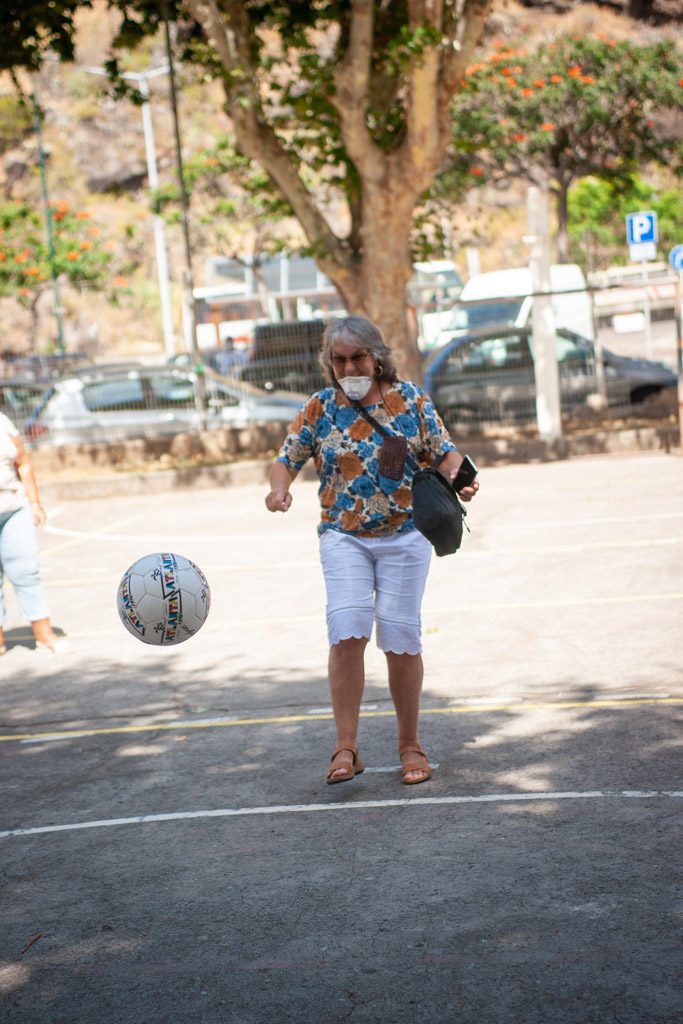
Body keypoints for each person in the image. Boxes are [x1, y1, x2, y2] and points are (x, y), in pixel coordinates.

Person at [265, 315, 478, 785]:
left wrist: (466, 480)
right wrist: (278, 491)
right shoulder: (320, 408)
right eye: (339, 360)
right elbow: (286, 460)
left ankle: (410, 745)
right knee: (347, 629)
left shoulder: (411, 401)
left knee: (401, 637)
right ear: (330, 363)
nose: (349, 367)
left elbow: (444, 453)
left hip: (405, 536)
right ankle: (346, 746)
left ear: (377, 356)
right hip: (344, 536)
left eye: (358, 357)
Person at [0, 411, 69, 654]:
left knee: (26, 571)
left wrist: (35, 503)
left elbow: (23, 463)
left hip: (13, 506)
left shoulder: (4, 422)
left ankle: (44, 635)